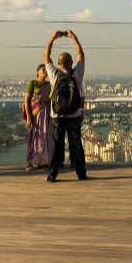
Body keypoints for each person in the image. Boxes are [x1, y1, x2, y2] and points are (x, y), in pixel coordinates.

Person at [43, 30, 88, 182]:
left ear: (59, 63)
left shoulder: (54, 75)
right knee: (76, 145)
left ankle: (52, 174)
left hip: (57, 115)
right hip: (74, 114)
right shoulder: (77, 74)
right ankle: (81, 173)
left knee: (56, 145)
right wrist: (74, 38)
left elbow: (46, 57)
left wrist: (52, 38)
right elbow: (81, 55)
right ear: (71, 63)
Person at [23, 64, 51, 172]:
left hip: (45, 114)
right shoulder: (32, 83)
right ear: (37, 72)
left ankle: (43, 161)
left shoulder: (49, 85)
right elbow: (27, 100)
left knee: (44, 136)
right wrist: (29, 117)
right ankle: (31, 161)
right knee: (33, 137)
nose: (45, 72)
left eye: (46, 71)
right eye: (43, 70)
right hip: (35, 114)